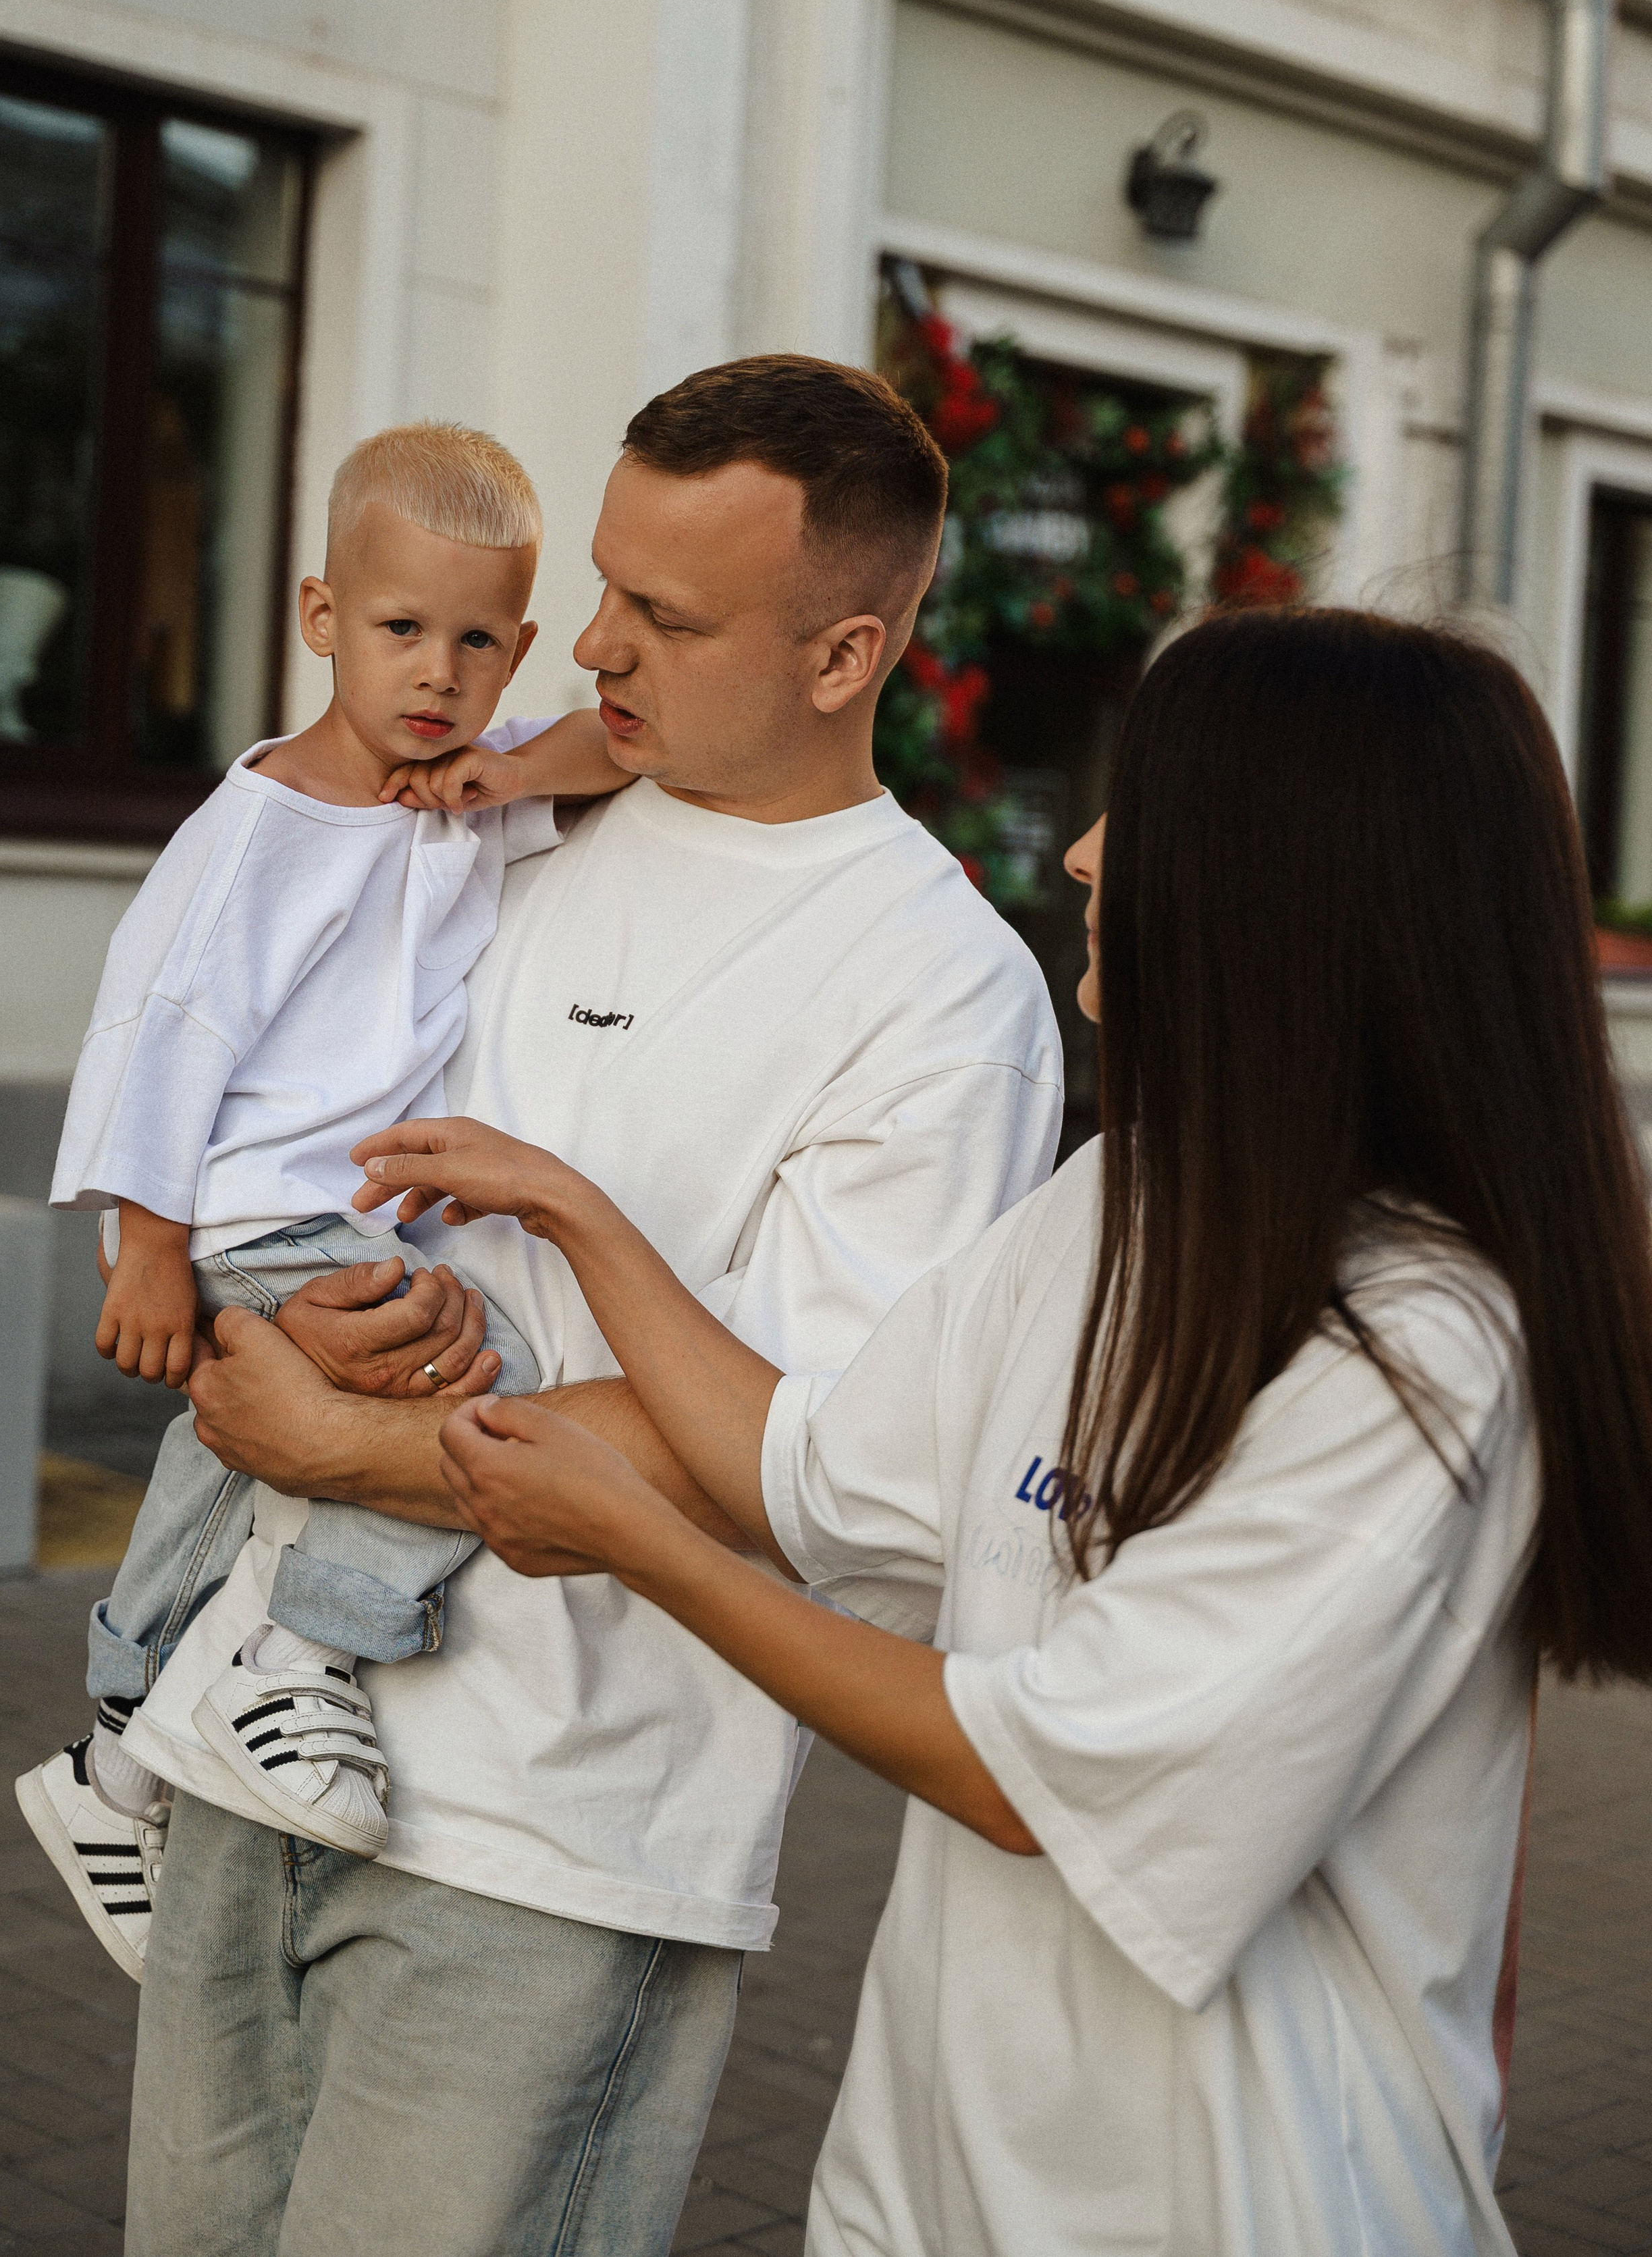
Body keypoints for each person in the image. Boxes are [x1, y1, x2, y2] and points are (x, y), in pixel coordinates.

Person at [413, 609, 1652, 2257]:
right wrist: (574, 1212)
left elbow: (1031, 1772)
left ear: (1283, 886)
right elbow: (807, 1467)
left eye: (1136, 807)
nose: (1077, 851)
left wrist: (636, 1546)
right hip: (919, 2199)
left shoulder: (1421, 1352)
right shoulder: (1117, 1198)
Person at [115, 356, 1063, 2257]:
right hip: (238, 1747)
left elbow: (815, 1452)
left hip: (554, 1846)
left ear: (843, 650)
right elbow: (243, 1125)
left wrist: (336, 1440)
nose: (594, 644)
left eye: (671, 614)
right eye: (609, 584)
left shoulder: (937, 990)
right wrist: (234, 1309)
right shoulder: (487, 824)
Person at [19, 422, 629, 1955]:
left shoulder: (460, 795)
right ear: (319, 619)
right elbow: (159, 1031)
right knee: (489, 1370)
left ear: (520, 648)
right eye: (400, 629)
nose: (436, 671)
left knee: (248, 1450)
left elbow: (624, 743)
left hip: (340, 1214)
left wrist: (505, 757)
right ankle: (304, 1650)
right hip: (245, 1207)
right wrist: (146, 1243)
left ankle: (119, 1730)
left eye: (477, 642)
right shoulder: (262, 831)